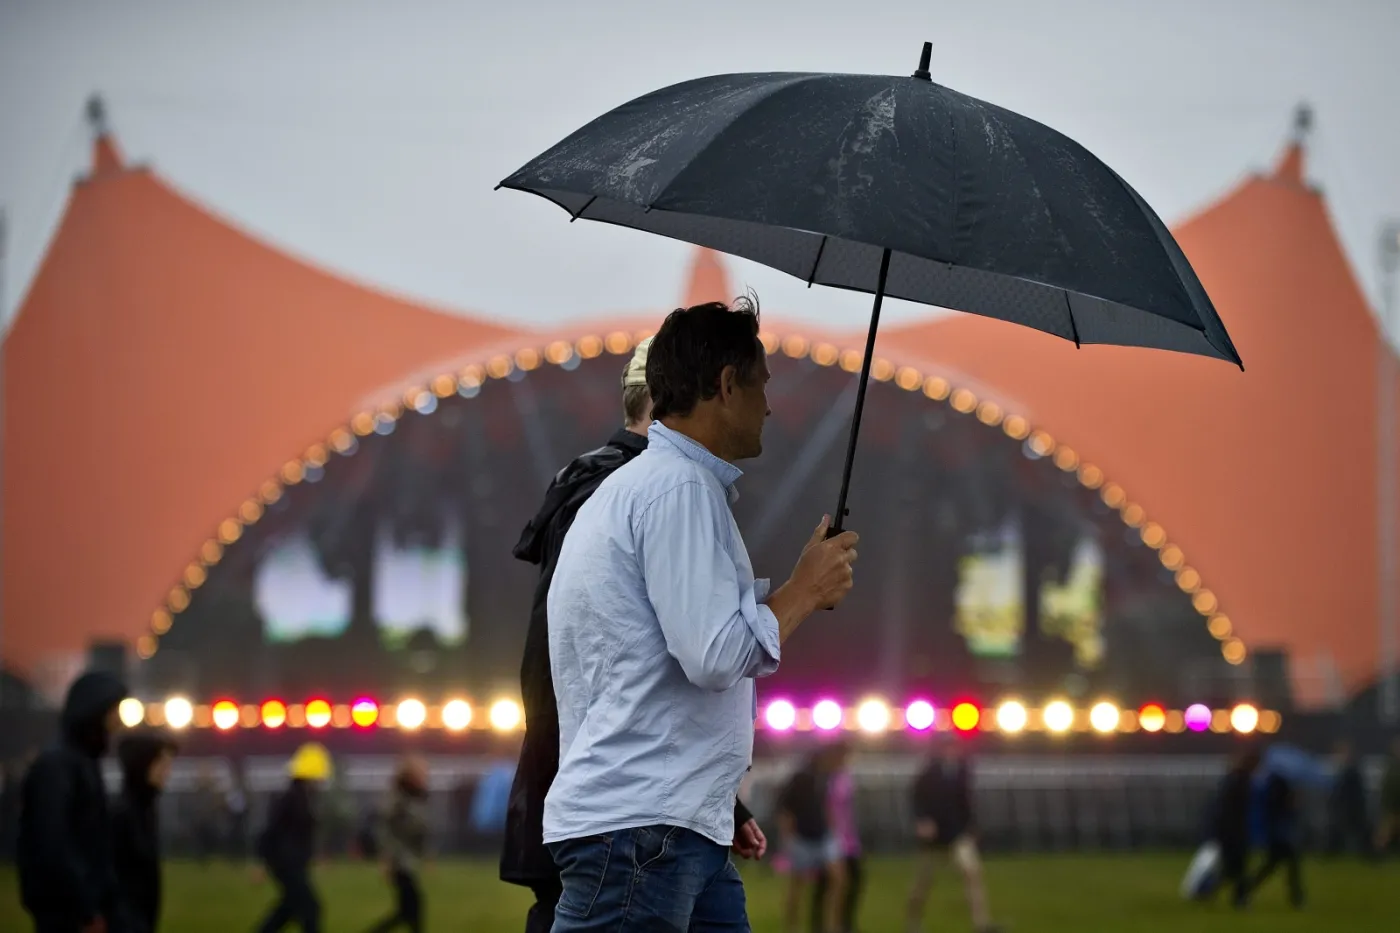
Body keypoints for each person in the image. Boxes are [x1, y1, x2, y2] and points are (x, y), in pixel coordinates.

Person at [544, 298, 859, 931]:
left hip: (670, 825)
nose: (770, 405)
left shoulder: (659, 485)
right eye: (763, 383)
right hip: (644, 833)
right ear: (727, 384)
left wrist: (721, 806)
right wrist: (802, 590)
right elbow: (714, 656)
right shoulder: (678, 488)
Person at [500, 331, 769, 933]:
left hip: (640, 799)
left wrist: (720, 799)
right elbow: (587, 665)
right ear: (666, 399)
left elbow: (636, 664)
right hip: (625, 806)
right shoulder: (651, 488)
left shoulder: (622, 486)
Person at [17, 670, 127, 933]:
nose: (119, 720)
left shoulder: (84, 762)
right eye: (114, 710)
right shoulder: (58, 765)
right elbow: (53, 843)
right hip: (65, 912)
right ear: (95, 711)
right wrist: (84, 909)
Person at [906, 740, 1000, 933]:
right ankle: (913, 922)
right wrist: (922, 820)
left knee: (972, 873)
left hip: (957, 833)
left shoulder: (962, 771)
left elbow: (965, 801)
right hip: (934, 837)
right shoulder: (930, 772)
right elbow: (916, 797)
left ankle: (981, 923)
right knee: (924, 881)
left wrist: (971, 825)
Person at [256, 742, 332, 933]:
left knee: (289, 907)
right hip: (286, 863)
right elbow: (272, 831)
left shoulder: (302, 796)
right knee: (311, 908)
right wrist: (262, 863)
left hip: (291, 862)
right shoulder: (293, 798)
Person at [111, 732, 178, 933]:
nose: (167, 772)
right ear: (143, 766)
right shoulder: (121, 815)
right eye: (162, 765)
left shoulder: (146, 810)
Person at [776, 751, 844, 933]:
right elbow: (785, 807)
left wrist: (832, 828)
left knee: (838, 878)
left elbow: (825, 806)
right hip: (802, 837)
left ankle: (832, 925)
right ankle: (792, 926)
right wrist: (787, 838)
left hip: (823, 835)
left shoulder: (826, 778)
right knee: (797, 886)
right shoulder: (801, 778)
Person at [366, 755, 430, 933]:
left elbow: (420, 831)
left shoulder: (418, 797)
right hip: (399, 861)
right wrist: (386, 859)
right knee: (412, 905)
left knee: (407, 910)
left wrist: (425, 854)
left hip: (408, 860)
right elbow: (385, 830)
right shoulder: (397, 799)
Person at [813, 741, 862, 933]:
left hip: (846, 834)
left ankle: (838, 924)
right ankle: (828, 925)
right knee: (836, 883)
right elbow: (826, 808)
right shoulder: (827, 778)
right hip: (832, 835)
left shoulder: (844, 776)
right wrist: (833, 832)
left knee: (844, 884)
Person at [1212, 746, 1261, 908]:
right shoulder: (1242, 780)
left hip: (1228, 829)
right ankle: (1239, 898)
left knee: (1233, 867)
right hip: (1235, 830)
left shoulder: (1232, 778)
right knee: (1238, 866)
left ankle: (1213, 892)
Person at [1248, 766, 1304, 907]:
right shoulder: (1279, 789)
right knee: (1284, 864)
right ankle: (1296, 898)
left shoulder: (1269, 785)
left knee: (1272, 866)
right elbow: (1283, 811)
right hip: (1278, 836)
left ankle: (1245, 890)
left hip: (1274, 835)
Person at [1327, 740, 1372, 858]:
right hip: (1348, 808)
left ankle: (1365, 853)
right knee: (1341, 831)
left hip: (1351, 808)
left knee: (1356, 831)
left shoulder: (1351, 771)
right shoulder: (1346, 770)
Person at [1377, 736, 1400, 856]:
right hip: (1391, 809)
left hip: (1394, 808)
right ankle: (1380, 854)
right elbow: (1387, 789)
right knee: (1385, 832)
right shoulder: (1392, 767)